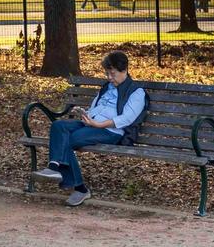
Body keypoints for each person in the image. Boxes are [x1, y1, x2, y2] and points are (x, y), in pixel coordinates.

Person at [32, 50, 148, 207]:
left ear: (124, 70)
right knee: (58, 126)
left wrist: (99, 124)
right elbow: (96, 107)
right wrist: (84, 113)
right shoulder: (107, 87)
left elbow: (127, 118)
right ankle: (53, 167)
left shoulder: (137, 92)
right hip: (90, 124)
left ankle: (80, 188)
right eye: (107, 73)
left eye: (112, 74)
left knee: (70, 139)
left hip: (110, 131)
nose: (109, 78)